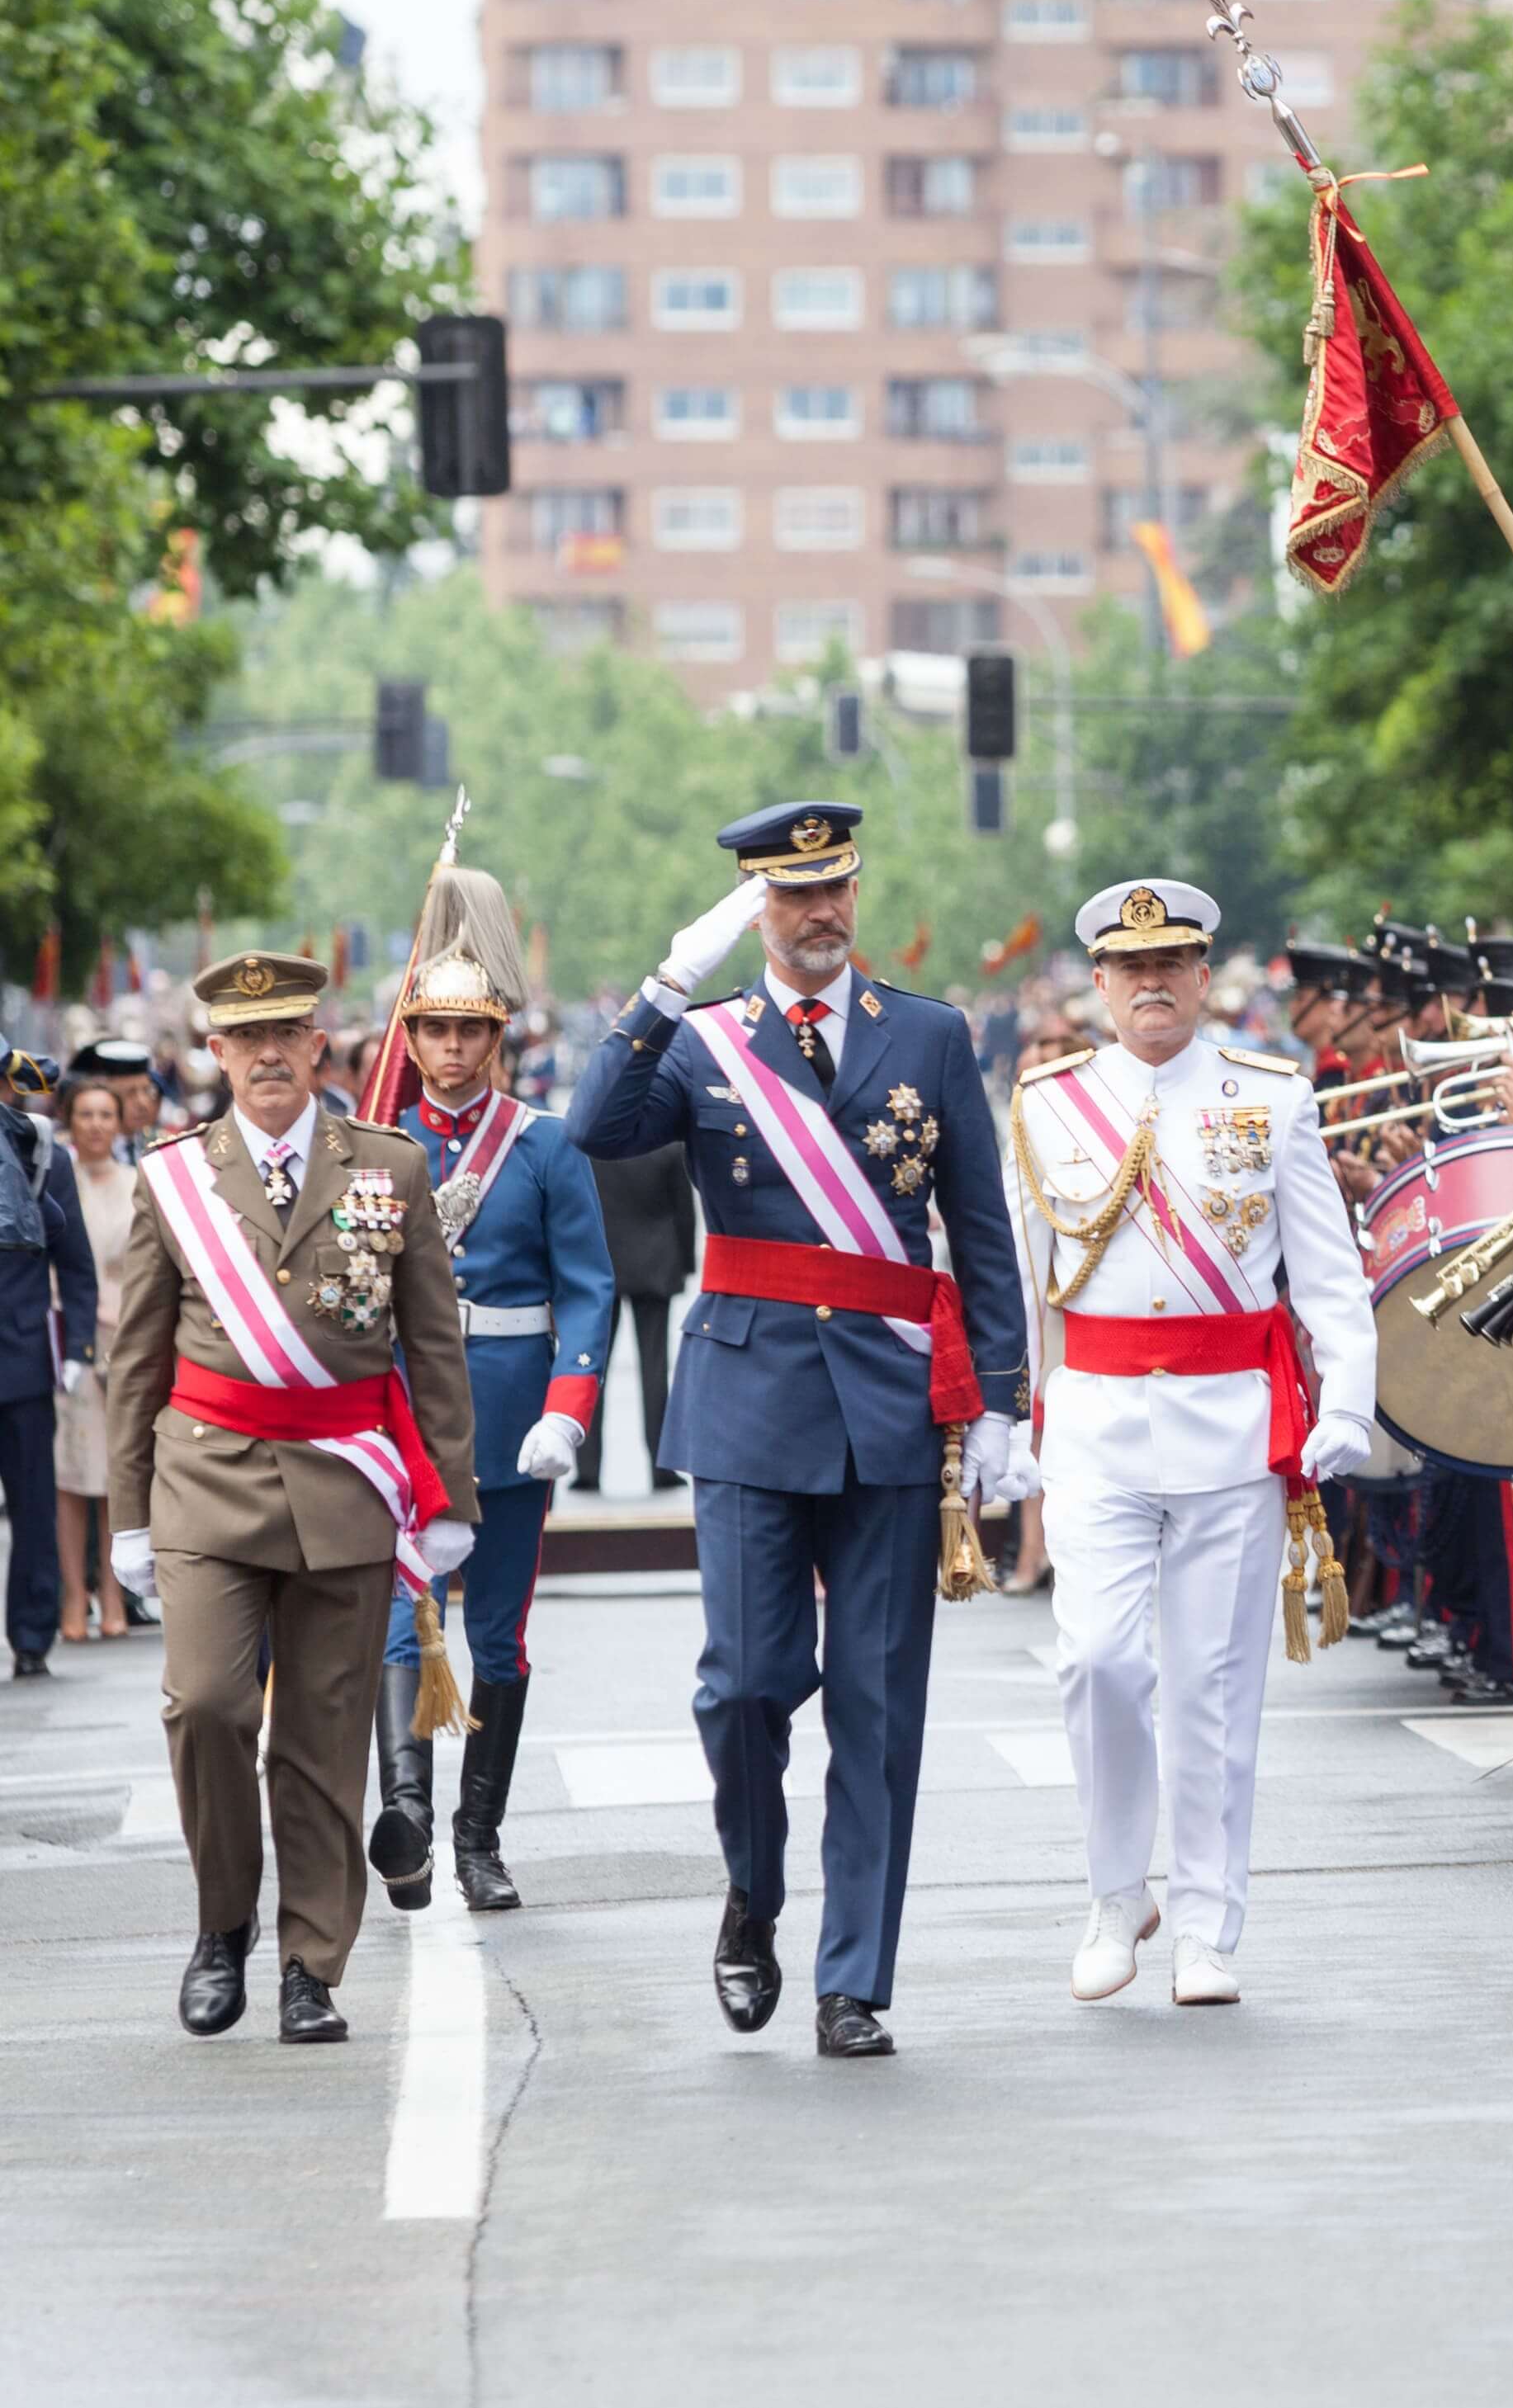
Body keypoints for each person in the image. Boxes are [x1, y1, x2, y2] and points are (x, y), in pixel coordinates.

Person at [565, 800, 1033, 2060]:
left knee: (880, 1708)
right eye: (792, 896)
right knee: (744, 1691)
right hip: (750, 1401)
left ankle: (854, 1980)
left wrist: (999, 1399)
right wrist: (669, 980)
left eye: (836, 889)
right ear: (753, 910)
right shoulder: (704, 1042)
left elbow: (980, 1227)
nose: (821, 913)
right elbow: (591, 1128)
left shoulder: (927, 1036)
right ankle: (752, 1896)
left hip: (887, 1404)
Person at [1005, 879, 1376, 2006]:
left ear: (1204, 977)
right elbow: (1021, 1285)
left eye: (1174, 963)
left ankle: (1207, 1923)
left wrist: (1347, 1401)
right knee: (1098, 1662)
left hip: (1228, 1422)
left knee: (1214, 1689)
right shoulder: (1049, 1102)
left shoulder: (1273, 1098)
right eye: (1131, 967)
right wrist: (1007, 1417)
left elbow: (1324, 1270)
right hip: (1099, 1423)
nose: (1154, 983)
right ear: (1102, 984)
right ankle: (1119, 1891)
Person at [106, 951, 480, 2042]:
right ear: (215, 1054)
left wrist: (447, 1491)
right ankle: (223, 1923)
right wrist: (130, 1512)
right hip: (206, 1481)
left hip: (343, 1485)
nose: (269, 1053)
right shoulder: (173, 1176)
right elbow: (137, 1359)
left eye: (289, 1033)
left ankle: (310, 1963)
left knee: (321, 1740)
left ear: (319, 1045)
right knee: (208, 1705)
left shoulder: (390, 1167)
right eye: (245, 1037)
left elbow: (432, 1341)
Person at [370, 915, 618, 1915]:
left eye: (473, 1031)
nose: (454, 1048)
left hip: (512, 1413)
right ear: (414, 1038)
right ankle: (409, 1822)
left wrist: (568, 1409)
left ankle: (479, 1839)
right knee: (397, 1625)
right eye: (435, 1030)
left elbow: (590, 1288)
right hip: (399, 1415)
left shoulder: (545, 1144)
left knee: (500, 1639)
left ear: (497, 1038)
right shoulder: (377, 1148)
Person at [1, 1051, 99, 1675]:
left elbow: (78, 1265)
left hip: (22, 1355)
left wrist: (79, 1348)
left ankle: (33, 1634)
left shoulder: (39, 1154)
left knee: (34, 1502)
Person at [50, 1074, 140, 1639]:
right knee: (70, 1472)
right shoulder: (54, 1177)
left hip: (129, 1339)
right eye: (86, 1114)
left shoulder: (139, 1182)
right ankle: (73, 1596)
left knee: (117, 1473)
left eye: (107, 1114)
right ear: (69, 1121)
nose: (97, 1125)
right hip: (69, 1336)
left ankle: (113, 1594)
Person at [573, 1136, 697, 1495]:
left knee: (592, 1370)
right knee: (655, 1370)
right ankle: (662, 1466)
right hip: (657, 1264)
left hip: (601, 1265)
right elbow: (683, 1211)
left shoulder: (590, 1147)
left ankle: (587, 1469)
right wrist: (686, 1264)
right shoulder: (668, 1147)